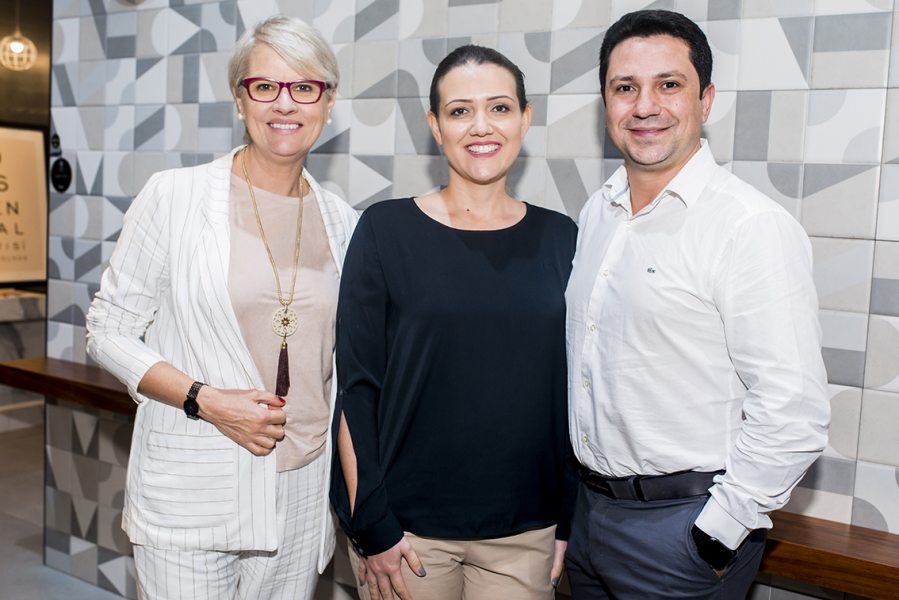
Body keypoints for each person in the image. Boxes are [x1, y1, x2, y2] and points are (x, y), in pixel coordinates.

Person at [85, 16, 357, 600]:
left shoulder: (346, 224)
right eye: (265, 86)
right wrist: (203, 399)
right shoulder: (175, 197)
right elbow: (107, 330)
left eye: (304, 86)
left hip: (302, 492)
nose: (285, 103)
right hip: (194, 489)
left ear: (328, 102)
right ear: (240, 99)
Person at [563, 9, 830, 599]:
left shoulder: (748, 225)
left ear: (705, 99)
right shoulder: (598, 212)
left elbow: (794, 410)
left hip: (682, 531)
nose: (645, 106)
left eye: (669, 84)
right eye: (625, 88)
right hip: (589, 516)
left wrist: (718, 532)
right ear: (605, 103)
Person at [330, 45, 577, 600]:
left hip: (527, 531)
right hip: (406, 533)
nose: (481, 126)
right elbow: (357, 388)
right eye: (460, 111)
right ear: (435, 126)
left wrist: (569, 516)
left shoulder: (562, 238)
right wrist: (373, 521)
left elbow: (573, 391)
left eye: (499, 108)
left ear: (525, 118)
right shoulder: (385, 230)